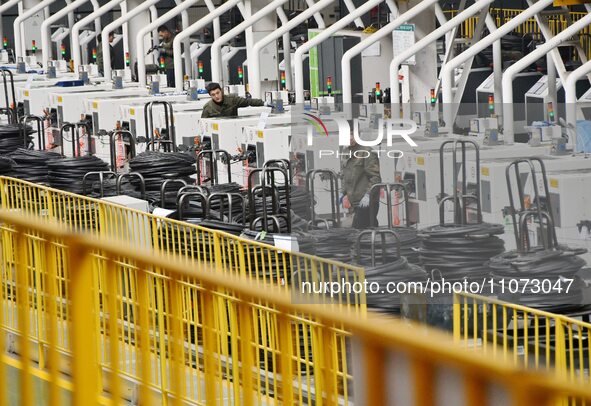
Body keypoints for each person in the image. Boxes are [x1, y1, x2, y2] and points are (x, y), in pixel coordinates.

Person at [341, 126, 381, 229]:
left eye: (352, 135)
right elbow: (344, 174)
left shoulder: (367, 152)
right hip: (354, 200)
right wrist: (343, 192)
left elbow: (375, 178)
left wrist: (368, 196)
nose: (350, 138)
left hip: (366, 202)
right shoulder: (345, 152)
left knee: (360, 230)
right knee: (367, 230)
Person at [202, 82, 266, 118]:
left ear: (221, 91)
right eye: (213, 94)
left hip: (233, 128)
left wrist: (264, 103)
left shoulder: (232, 100)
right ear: (210, 95)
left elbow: (248, 101)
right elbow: (203, 124)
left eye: (217, 93)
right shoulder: (208, 108)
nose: (216, 96)